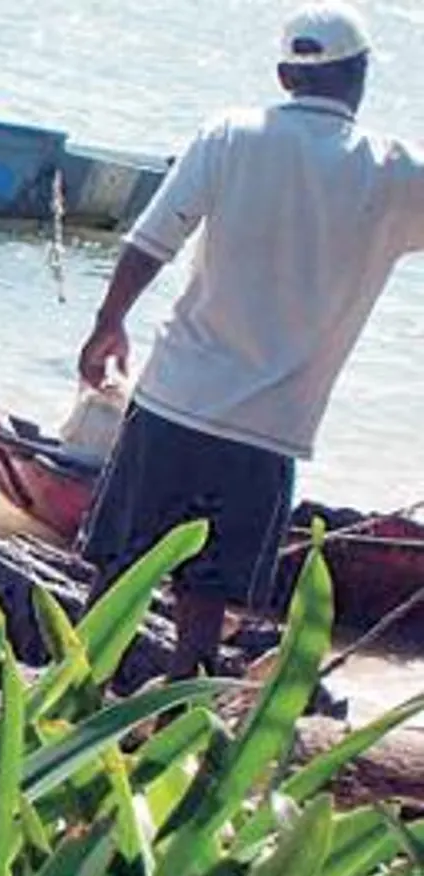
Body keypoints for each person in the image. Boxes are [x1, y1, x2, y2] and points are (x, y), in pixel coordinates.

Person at [75, 1, 424, 680]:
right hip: (269, 430)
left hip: (176, 397)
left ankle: (69, 704)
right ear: (360, 76)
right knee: (209, 599)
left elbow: (151, 242)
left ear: (285, 77)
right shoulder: (394, 174)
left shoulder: (231, 133)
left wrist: (108, 322)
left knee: (117, 573)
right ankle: (185, 719)